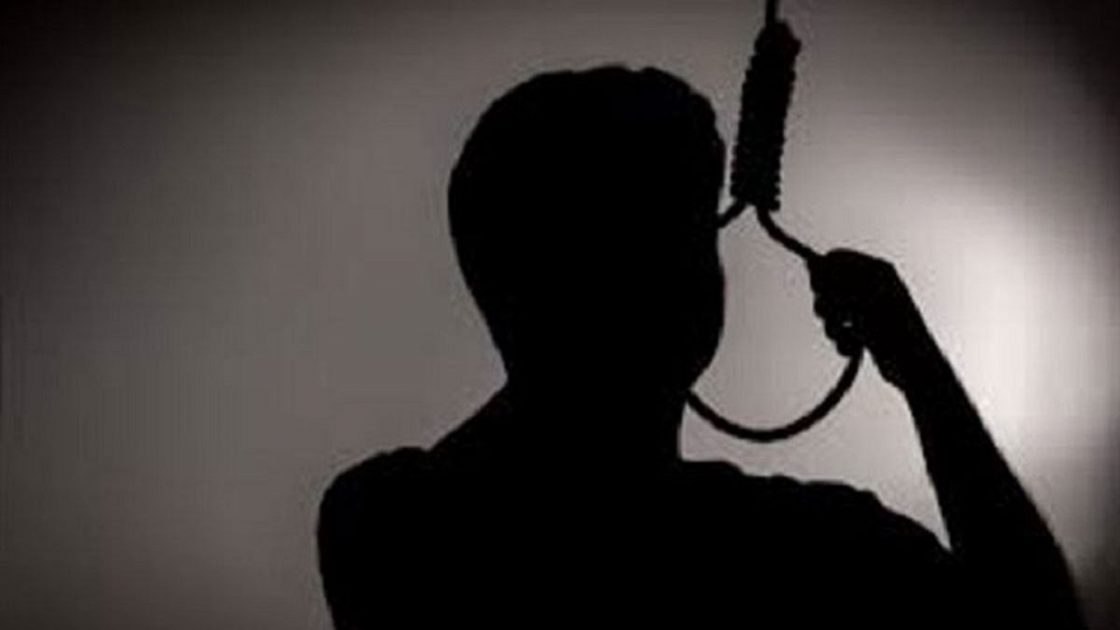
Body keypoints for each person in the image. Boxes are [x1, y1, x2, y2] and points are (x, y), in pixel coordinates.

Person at [317, 66, 1084, 628]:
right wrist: (918, 366)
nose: (680, 268)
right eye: (644, 233)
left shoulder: (393, 520)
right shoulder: (802, 553)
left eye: (684, 231)